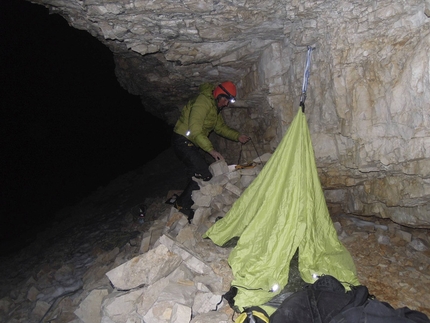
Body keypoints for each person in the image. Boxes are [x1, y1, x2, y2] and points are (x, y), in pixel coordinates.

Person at [171, 81, 250, 220]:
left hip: (190, 143)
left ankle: (191, 205)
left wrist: (238, 136)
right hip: (182, 140)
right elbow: (195, 129)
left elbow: (220, 128)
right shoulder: (203, 102)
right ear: (219, 94)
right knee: (203, 172)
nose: (226, 104)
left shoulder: (214, 109)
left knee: (195, 174)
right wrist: (211, 150)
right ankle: (182, 205)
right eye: (226, 99)